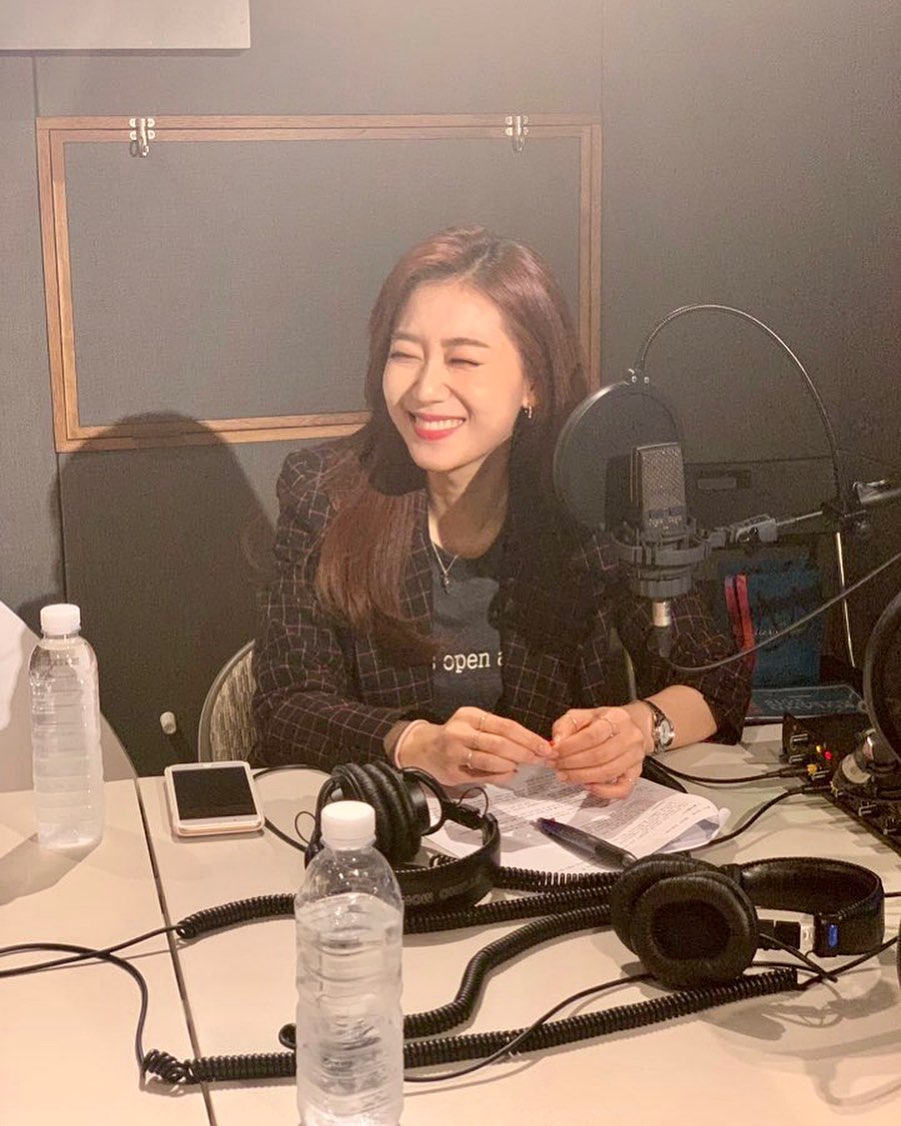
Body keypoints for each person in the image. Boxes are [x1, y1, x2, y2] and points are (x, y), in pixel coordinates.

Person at [250, 226, 750, 800]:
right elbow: (285, 707)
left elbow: (716, 674)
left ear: (531, 382)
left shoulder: (587, 499)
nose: (424, 389)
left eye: (462, 360)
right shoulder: (325, 493)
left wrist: (638, 728)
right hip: (384, 831)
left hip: (556, 837)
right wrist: (413, 743)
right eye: (404, 354)